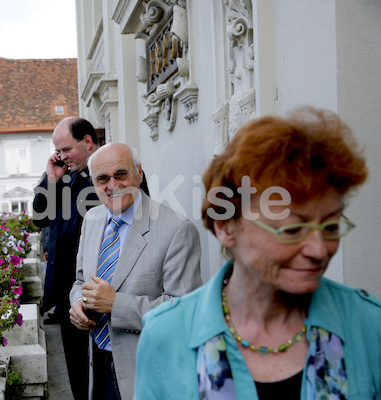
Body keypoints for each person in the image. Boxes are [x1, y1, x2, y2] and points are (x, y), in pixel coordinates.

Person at [134, 107, 381, 399]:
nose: (319, 250)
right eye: (292, 230)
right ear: (226, 226)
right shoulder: (167, 336)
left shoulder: (368, 326)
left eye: (330, 226)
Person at [69, 143, 202, 400]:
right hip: (98, 368)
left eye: (121, 174)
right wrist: (77, 303)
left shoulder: (177, 229)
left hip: (148, 374)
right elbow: (79, 281)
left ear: (139, 174)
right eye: (103, 178)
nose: (113, 185)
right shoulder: (93, 220)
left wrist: (116, 304)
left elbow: (184, 314)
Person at [32, 117, 100, 400]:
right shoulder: (63, 175)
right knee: (77, 376)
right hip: (64, 294)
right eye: (57, 151)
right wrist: (50, 178)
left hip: (97, 293)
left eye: (66, 149)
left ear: (87, 142)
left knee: (105, 374)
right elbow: (39, 216)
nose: (61, 157)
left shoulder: (110, 173)